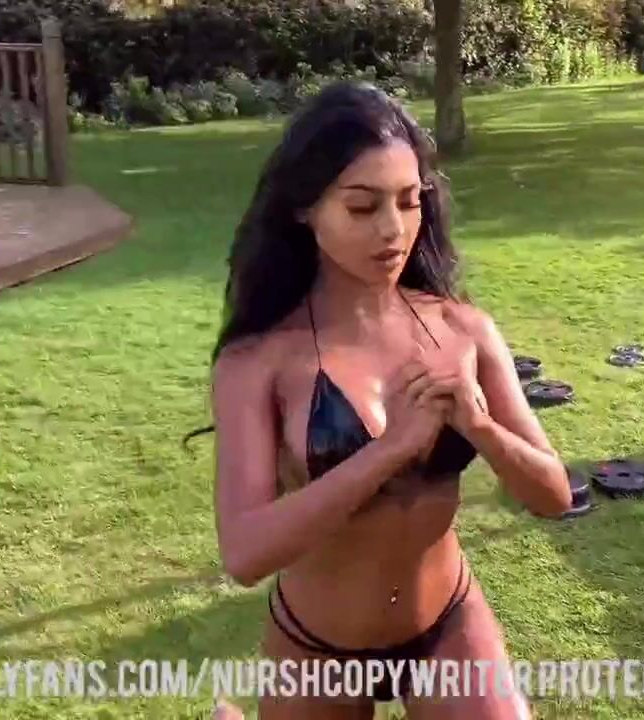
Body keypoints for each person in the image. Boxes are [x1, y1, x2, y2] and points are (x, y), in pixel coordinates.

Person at [187, 81, 574, 719]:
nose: (394, 230)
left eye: (409, 201)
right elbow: (245, 553)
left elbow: (554, 495)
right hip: (318, 647)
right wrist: (390, 450)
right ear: (305, 208)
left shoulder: (463, 329)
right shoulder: (258, 363)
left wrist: (479, 426)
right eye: (363, 207)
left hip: (447, 623)